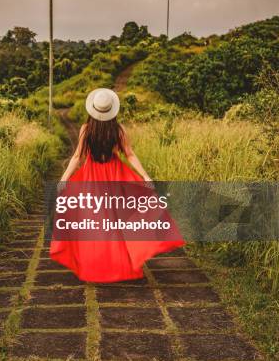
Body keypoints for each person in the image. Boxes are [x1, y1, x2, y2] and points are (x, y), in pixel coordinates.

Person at [49, 88, 185, 282]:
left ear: (93, 110)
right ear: (112, 110)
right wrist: (145, 176)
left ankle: (95, 266)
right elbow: (129, 154)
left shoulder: (86, 129)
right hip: (115, 175)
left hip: (92, 176)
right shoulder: (118, 129)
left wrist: (64, 179)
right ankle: (119, 266)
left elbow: (77, 156)